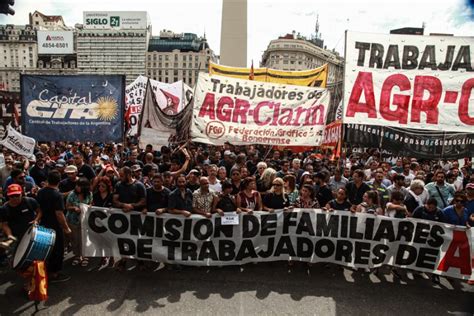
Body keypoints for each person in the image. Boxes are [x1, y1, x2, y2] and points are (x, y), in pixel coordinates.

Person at [36, 170, 72, 282]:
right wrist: (66, 228)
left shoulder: (41, 192)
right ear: (59, 181)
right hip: (55, 226)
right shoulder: (57, 195)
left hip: (43, 224)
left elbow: (39, 208)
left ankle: (46, 270)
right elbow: (59, 214)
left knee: (47, 249)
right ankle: (54, 274)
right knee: (58, 250)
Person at [66, 178, 93, 267]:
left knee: (84, 239)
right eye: (76, 185)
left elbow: (91, 204)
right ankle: (77, 256)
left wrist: (87, 207)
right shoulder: (72, 194)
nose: (76, 187)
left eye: (79, 185)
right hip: (73, 221)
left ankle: (85, 256)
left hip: (84, 221)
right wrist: (74, 208)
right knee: (75, 239)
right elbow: (67, 207)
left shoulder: (89, 194)